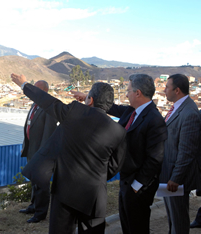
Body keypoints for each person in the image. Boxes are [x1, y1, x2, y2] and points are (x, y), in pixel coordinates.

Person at [11, 73, 127, 234]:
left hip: (65, 191)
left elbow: (49, 103)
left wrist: (24, 84)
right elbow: (114, 166)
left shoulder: (74, 111)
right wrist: (96, 175)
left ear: (90, 100)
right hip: (94, 197)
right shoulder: (119, 132)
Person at [73, 74, 167, 234]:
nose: (126, 94)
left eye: (128, 90)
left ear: (138, 93)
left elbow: (155, 158)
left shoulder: (154, 120)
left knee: (137, 227)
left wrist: (136, 186)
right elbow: (112, 107)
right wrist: (90, 98)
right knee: (127, 225)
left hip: (139, 185)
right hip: (126, 180)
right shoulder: (132, 111)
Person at [159, 74, 201, 234]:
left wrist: (176, 178)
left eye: (167, 87)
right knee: (172, 218)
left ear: (177, 90)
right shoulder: (178, 107)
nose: (164, 90)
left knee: (179, 220)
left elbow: (187, 151)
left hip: (176, 179)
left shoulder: (189, 112)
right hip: (168, 173)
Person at [18, 80, 58, 223]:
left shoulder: (49, 108)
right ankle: (33, 206)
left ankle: (40, 213)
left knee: (41, 184)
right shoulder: (34, 105)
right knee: (34, 180)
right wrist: (25, 144)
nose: (33, 91)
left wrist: (42, 155)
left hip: (41, 153)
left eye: (36, 89)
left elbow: (48, 133)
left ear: (44, 91)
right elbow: (28, 128)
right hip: (31, 150)